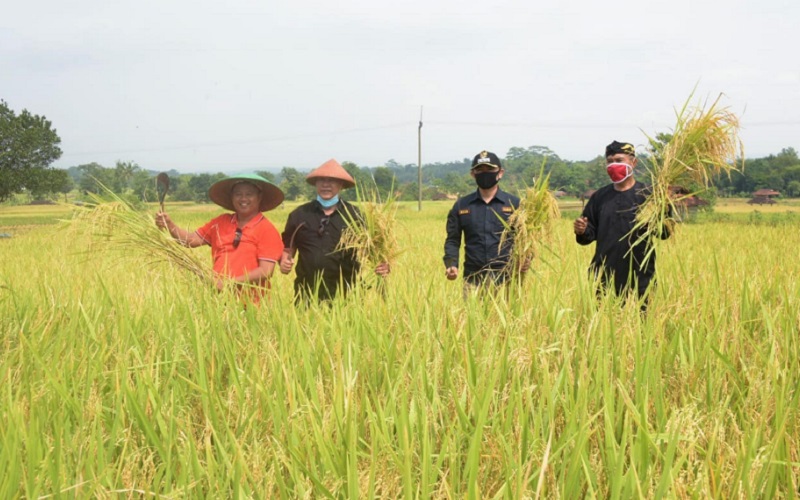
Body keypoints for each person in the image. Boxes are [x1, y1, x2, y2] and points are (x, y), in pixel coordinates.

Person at [155, 173, 284, 302]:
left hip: (252, 304)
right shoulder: (220, 222)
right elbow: (190, 240)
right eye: (238, 194)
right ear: (232, 197)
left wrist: (229, 283)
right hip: (218, 302)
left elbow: (265, 271)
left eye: (249, 194)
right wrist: (169, 224)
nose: (243, 199)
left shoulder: (267, 229)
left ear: (259, 197)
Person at [574, 140, 671, 307]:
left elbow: (664, 233)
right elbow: (588, 235)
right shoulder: (599, 197)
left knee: (642, 325)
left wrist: (659, 215)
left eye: (619, 160)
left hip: (641, 276)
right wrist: (581, 230)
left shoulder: (649, 195)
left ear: (633, 162)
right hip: (605, 274)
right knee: (604, 325)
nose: (613, 165)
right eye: (609, 162)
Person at [279, 159, 390, 302]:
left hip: (347, 294)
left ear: (341, 185)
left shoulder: (355, 216)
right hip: (306, 292)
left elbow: (374, 250)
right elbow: (288, 247)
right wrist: (283, 262)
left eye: (332, 180)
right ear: (315, 184)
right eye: (321, 180)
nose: (326, 184)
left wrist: (383, 265)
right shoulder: (300, 214)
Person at [444, 150, 527, 289]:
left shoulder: (515, 204)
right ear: (473, 174)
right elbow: (453, 239)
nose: (485, 173)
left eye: (490, 169)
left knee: (509, 311)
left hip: (507, 278)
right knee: (472, 311)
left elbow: (527, 238)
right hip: (473, 279)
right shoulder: (461, 206)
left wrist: (526, 259)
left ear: (500, 173)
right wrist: (451, 264)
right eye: (480, 170)